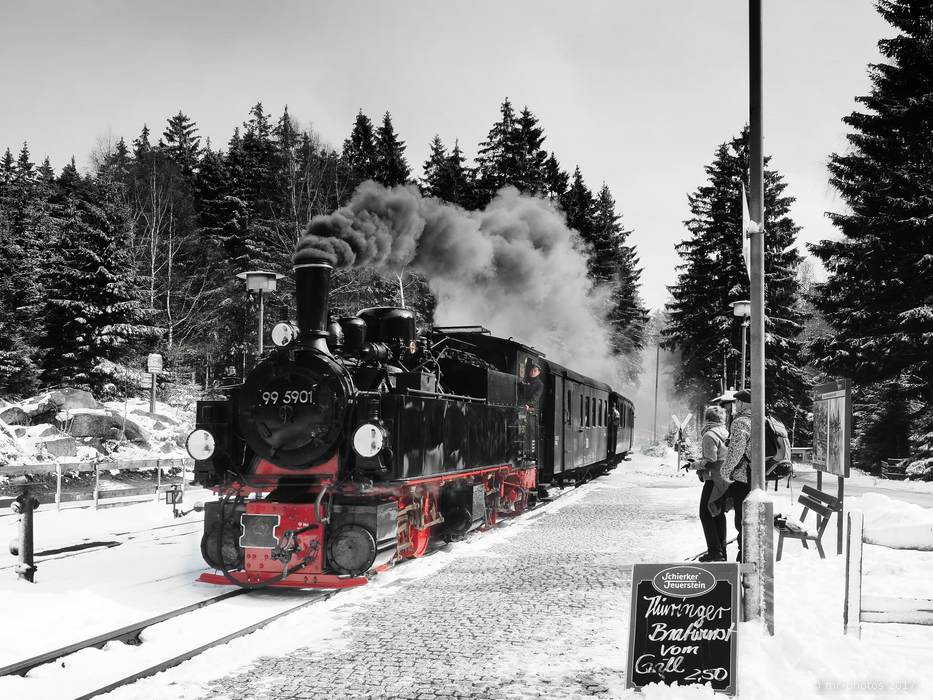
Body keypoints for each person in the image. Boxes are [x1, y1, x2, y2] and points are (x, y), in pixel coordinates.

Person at [718, 388, 753, 560]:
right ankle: (748, 552)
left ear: (741, 403)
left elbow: (737, 450)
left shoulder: (741, 422)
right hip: (756, 475)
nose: (734, 406)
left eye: (736, 402)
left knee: (742, 518)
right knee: (750, 517)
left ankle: (744, 555)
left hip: (743, 476)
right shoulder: (760, 418)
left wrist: (725, 471)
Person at [692, 406, 730, 561]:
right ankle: (722, 551)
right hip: (725, 478)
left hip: (714, 478)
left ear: (707, 419)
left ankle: (714, 551)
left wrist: (694, 465)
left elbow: (710, 460)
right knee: (718, 513)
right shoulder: (725, 432)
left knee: (705, 513)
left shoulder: (709, 435)